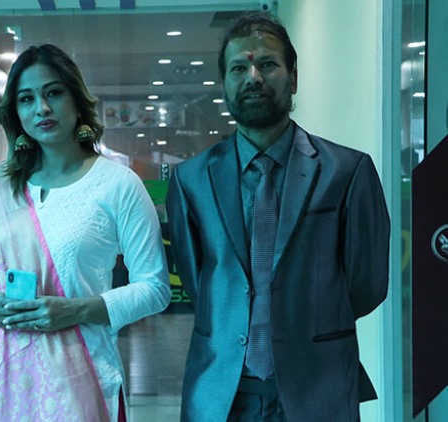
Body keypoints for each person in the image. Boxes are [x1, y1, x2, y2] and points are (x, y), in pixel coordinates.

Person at [166, 12, 390, 421]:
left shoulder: (346, 172)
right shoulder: (191, 180)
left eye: (267, 64)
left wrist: (308, 322)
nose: (253, 77)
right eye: (239, 68)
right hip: (222, 393)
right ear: (224, 83)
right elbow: (201, 285)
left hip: (317, 385)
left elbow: (367, 285)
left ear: (294, 78)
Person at [0, 44, 171, 421]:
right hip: (1, 381)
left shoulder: (117, 184)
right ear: (16, 112)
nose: (42, 108)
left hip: (82, 378)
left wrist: (75, 311)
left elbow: (154, 288)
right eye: (27, 98)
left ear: (77, 101)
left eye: (53, 93)